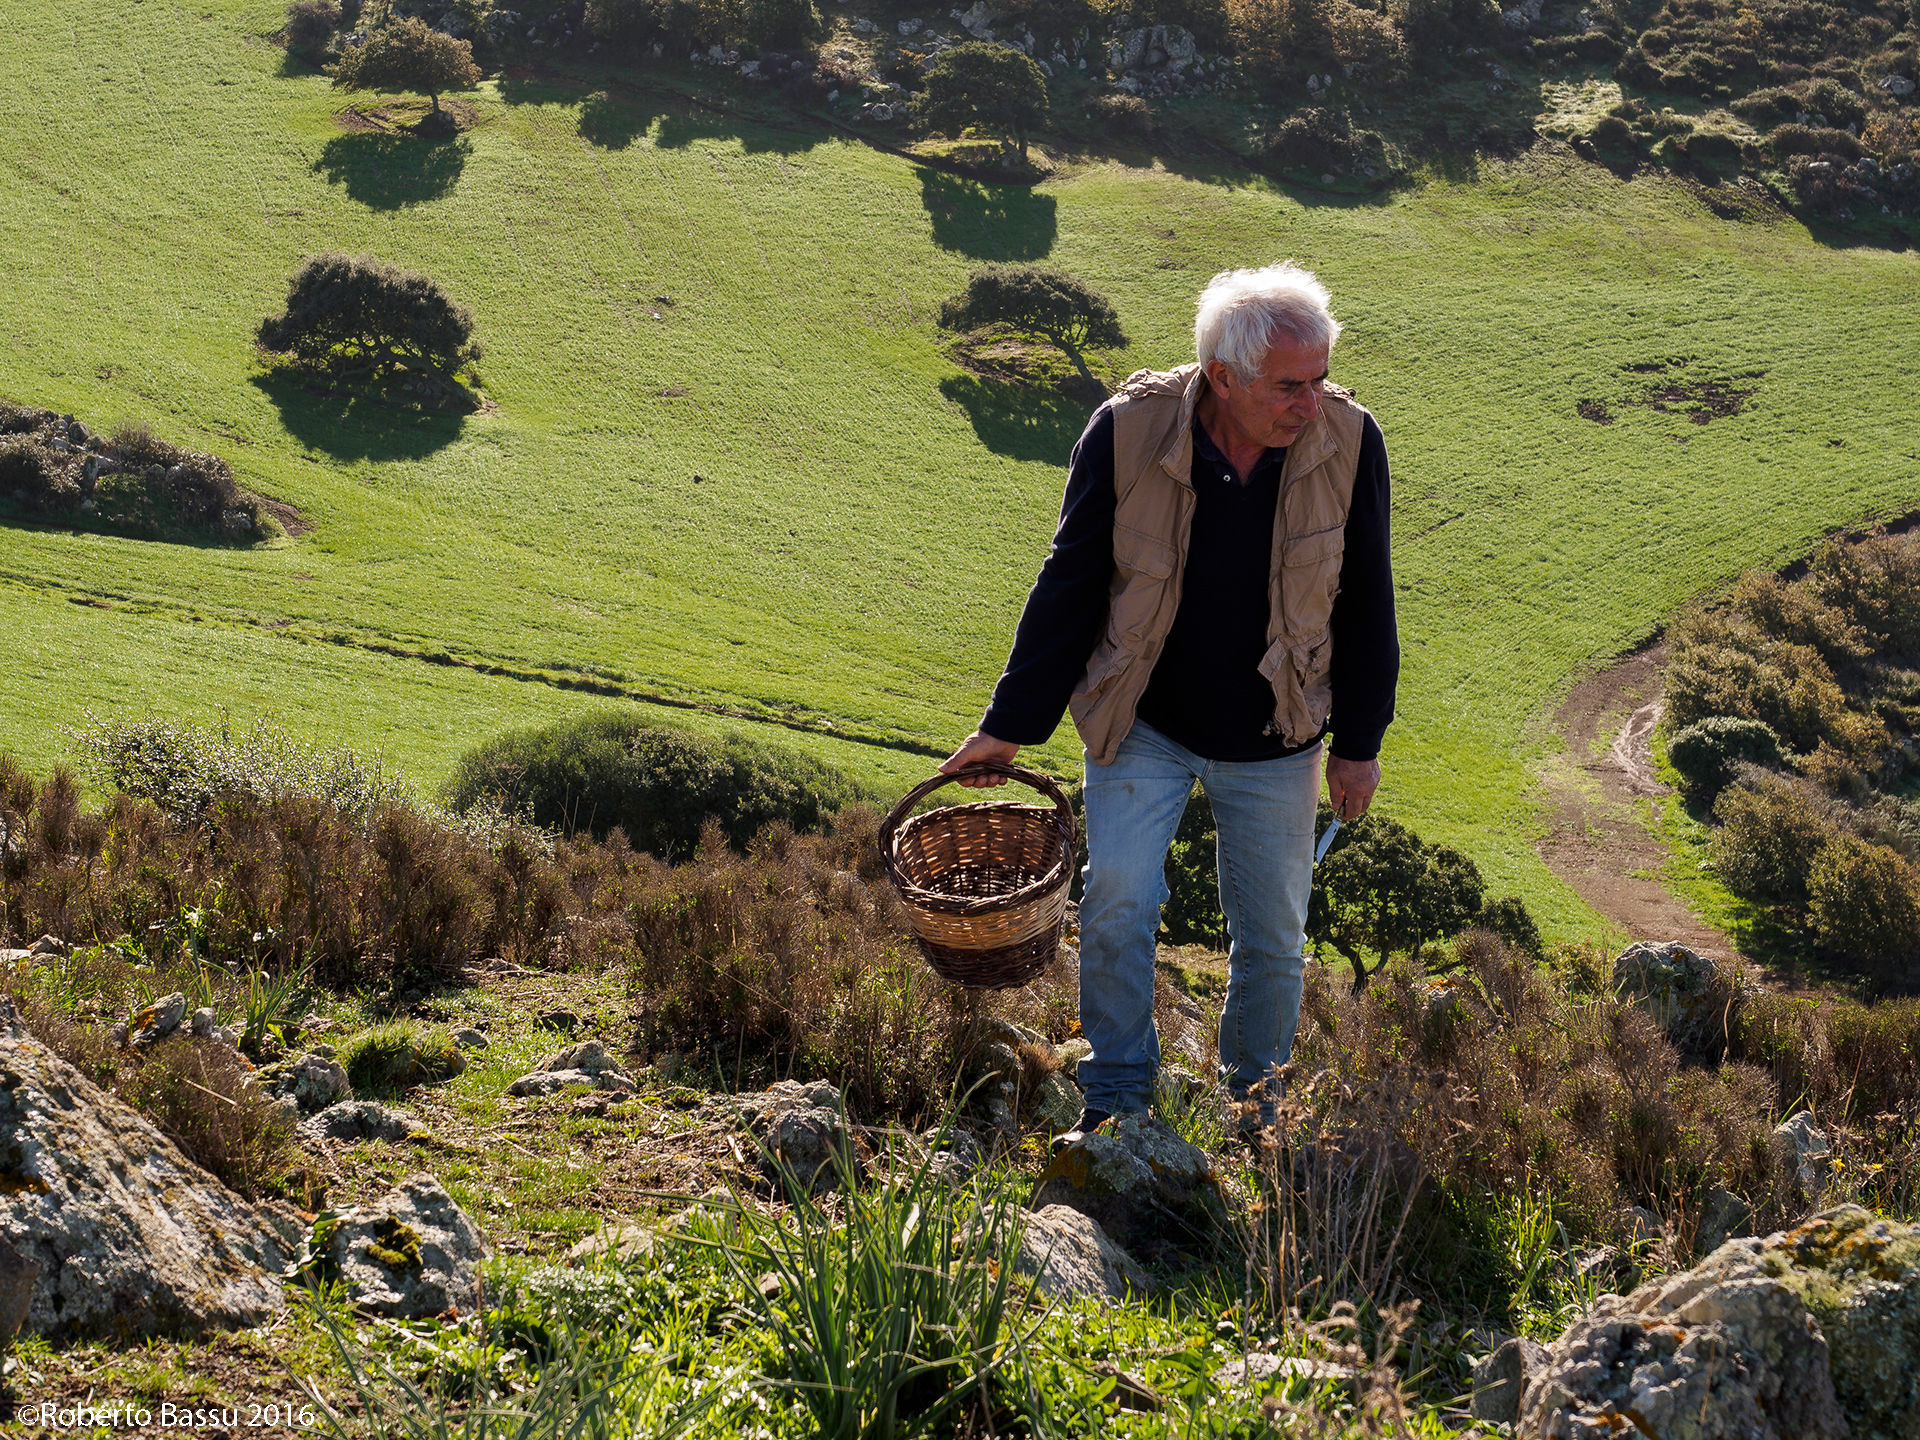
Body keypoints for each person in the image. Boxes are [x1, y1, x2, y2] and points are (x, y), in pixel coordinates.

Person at [940, 261, 1399, 1143]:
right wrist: (1007, 728)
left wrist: (1358, 744)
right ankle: (1117, 1095)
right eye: (1289, 386)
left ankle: (1253, 1107)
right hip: (1143, 723)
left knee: (1272, 938)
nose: (1312, 401)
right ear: (1221, 378)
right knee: (1115, 899)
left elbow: (1367, 599)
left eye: (1321, 379)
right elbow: (1070, 582)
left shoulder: (1350, 439)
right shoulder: (1126, 431)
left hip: (1280, 734)